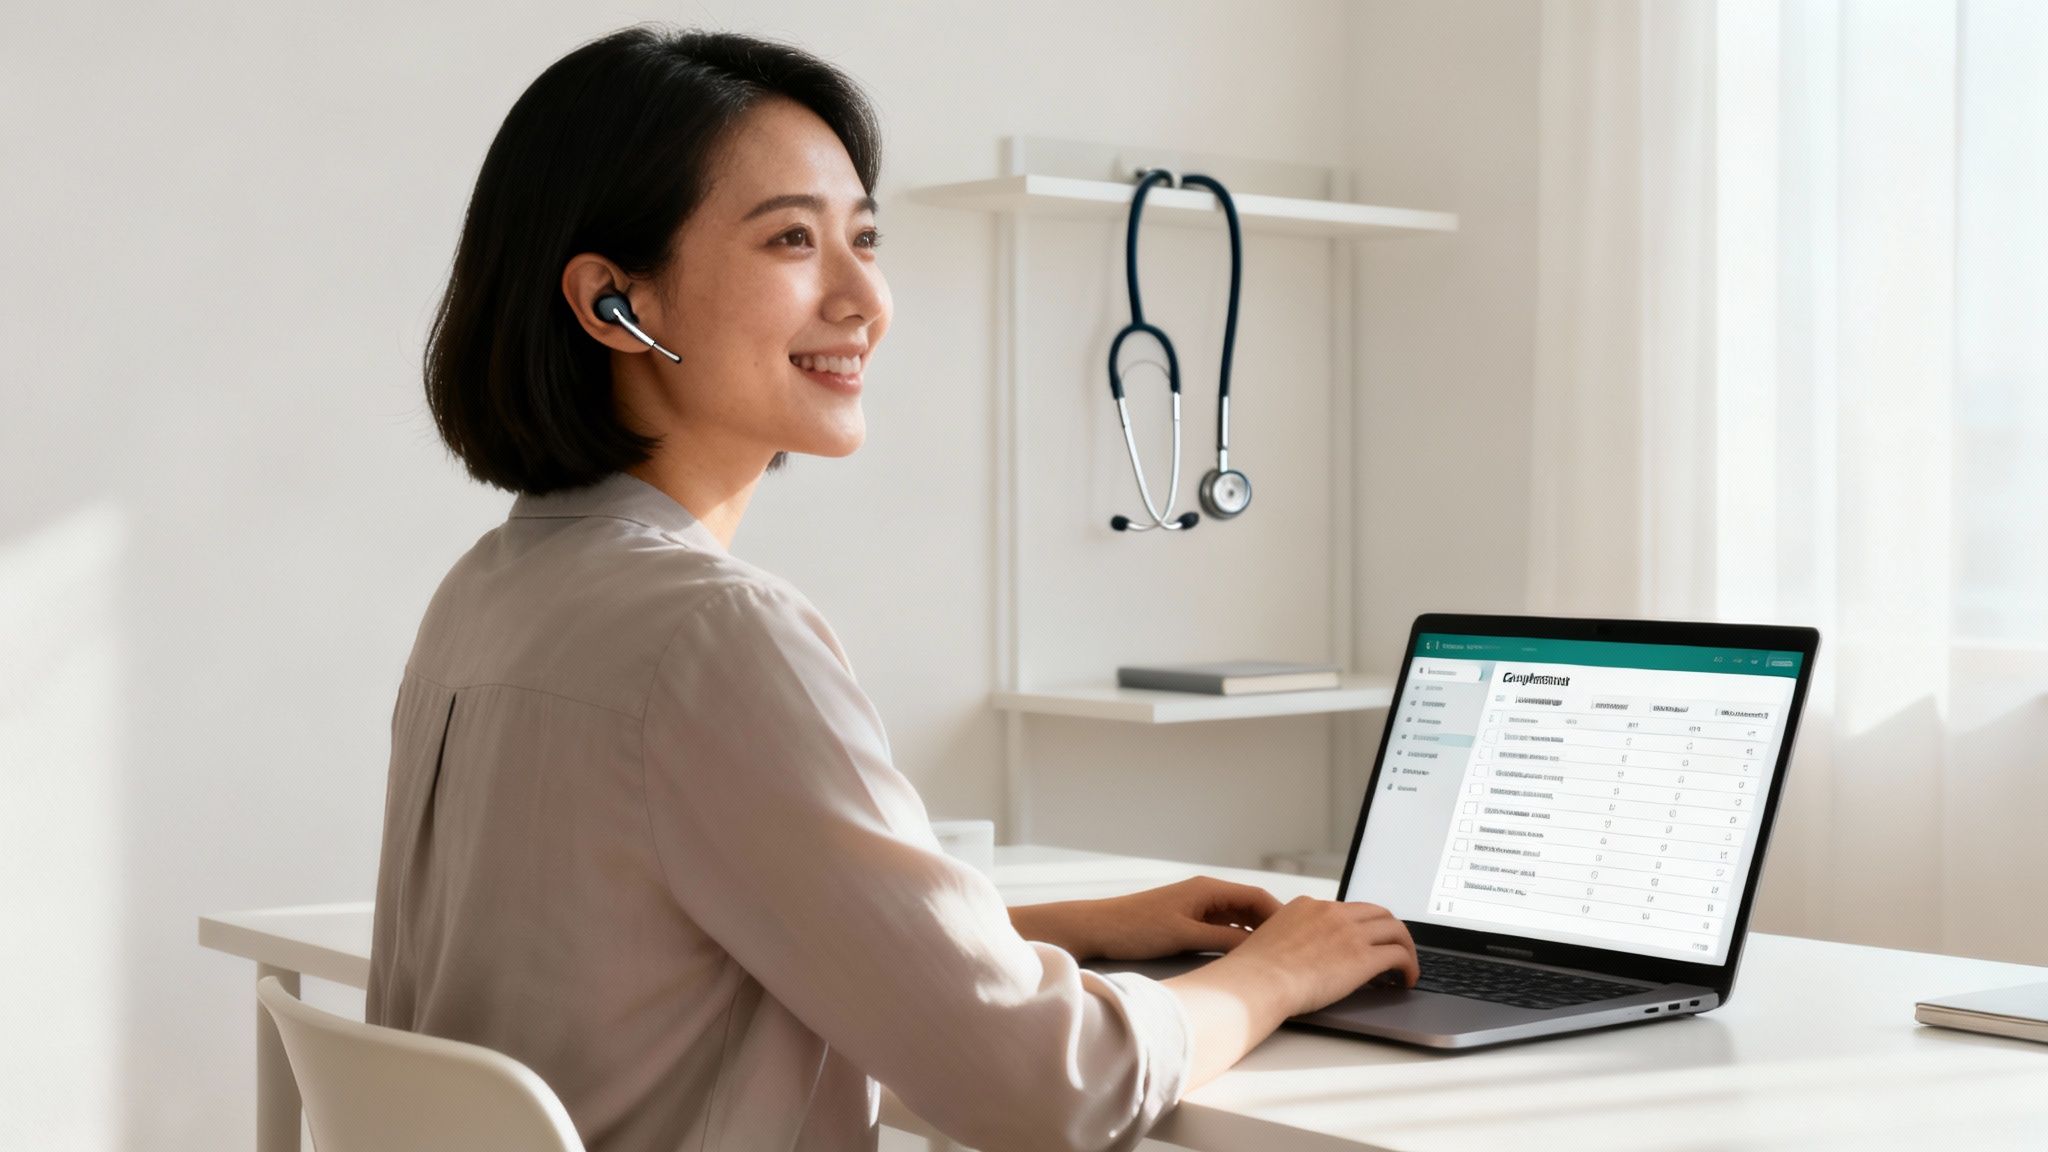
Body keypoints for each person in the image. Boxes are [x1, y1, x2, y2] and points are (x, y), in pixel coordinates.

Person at [366, 24, 1418, 1152]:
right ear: (614, 304)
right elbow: (1046, 1090)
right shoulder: (713, 632)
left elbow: (679, 935)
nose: (864, 297)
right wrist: (1272, 977)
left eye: (865, 239)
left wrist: (1067, 928)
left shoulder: (490, 592)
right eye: (790, 241)